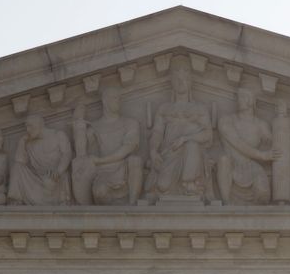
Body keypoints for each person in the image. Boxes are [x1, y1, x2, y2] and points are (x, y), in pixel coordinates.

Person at [147, 64, 214, 199]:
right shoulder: (164, 108)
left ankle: (190, 182)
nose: (181, 82)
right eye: (177, 79)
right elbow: (157, 133)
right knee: (163, 186)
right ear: (172, 83)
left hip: (192, 154)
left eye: (184, 79)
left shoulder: (199, 108)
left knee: (192, 144)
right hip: (170, 151)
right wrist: (153, 151)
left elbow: (208, 135)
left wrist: (185, 138)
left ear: (190, 82)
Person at [71, 86, 143, 205]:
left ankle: (132, 208)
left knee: (135, 160)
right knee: (100, 191)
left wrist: (100, 160)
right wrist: (78, 122)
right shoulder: (94, 127)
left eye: (119, 98)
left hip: (122, 169)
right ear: (105, 101)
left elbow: (127, 149)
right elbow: (82, 155)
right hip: (103, 173)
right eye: (115, 98)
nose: (118, 101)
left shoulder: (130, 123)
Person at [215, 87, 278, 205]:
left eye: (243, 97)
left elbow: (275, 145)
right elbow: (238, 143)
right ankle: (226, 205)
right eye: (239, 97)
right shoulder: (226, 120)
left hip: (251, 167)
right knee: (224, 160)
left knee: (263, 193)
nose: (239, 100)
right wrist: (262, 155)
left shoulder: (261, 125)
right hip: (231, 166)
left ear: (251, 101)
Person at [7, 114, 73, 205]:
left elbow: (67, 154)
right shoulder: (30, 144)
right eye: (26, 127)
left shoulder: (57, 135)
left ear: (39, 124)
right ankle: (16, 201)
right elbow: (20, 161)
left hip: (55, 177)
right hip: (36, 178)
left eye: (30, 126)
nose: (27, 130)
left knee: (49, 182)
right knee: (16, 167)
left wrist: (58, 171)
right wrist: (22, 142)